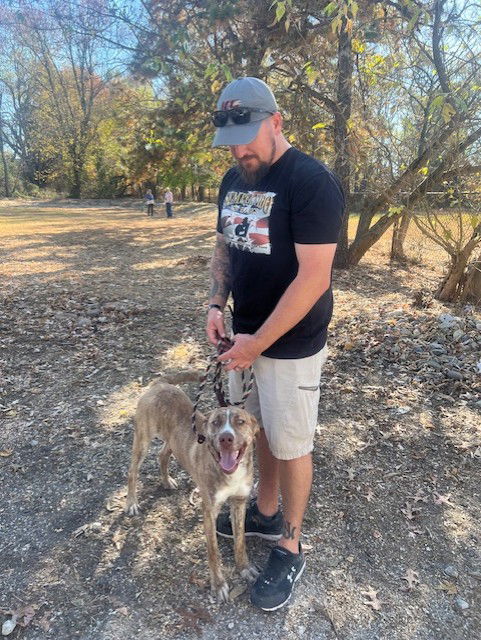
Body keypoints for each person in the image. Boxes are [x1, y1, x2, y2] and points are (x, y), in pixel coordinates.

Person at [206, 77, 345, 611]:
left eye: (249, 137)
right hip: (244, 335)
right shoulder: (232, 180)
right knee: (255, 428)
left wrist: (257, 342)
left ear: (277, 122)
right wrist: (216, 307)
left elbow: (313, 279)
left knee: (291, 443)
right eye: (232, 141)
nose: (241, 150)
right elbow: (225, 247)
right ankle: (264, 511)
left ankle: (289, 542)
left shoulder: (311, 182)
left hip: (292, 342)